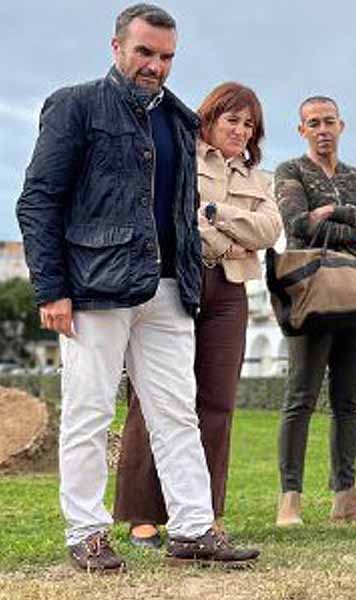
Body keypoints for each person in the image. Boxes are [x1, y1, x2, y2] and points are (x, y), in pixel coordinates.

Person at [15, 3, 258, 571]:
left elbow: (180, 214)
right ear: (117, 46)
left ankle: (194, 529)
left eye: (166, 56)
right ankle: (87, 533)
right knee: (88, 412)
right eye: (145, 51)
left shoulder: (177, 118)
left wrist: (192, 283)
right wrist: (51, 288)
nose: (155, 65)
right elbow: (38, 200)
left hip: (169, 290)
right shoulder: (74, 106)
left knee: (177, 412)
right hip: (94, 289)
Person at [113, 82, 283, 548]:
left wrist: (215, 212)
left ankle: (202, 516)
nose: (241, 131)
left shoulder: (256, 177)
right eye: (233, 120)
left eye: (249, 124)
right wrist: (231, 236)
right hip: (177, 282)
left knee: (217, 403)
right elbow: (178, 219)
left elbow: (270, 229)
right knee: (155, 397)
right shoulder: (181, 157)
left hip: (229, 291)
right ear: (209, 118)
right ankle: (142, 515)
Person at [273, 95, 356, 527]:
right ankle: (290, 498)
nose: (322, 129)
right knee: (301, 396)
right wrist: (355, 225)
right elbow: (297, 223)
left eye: (328, 121)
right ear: (301, 129)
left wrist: (336, 211)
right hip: (312, 292)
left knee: (349, 399)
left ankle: (345, 496)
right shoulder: (291, 172)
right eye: (313, 123)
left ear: (341, 126)